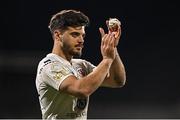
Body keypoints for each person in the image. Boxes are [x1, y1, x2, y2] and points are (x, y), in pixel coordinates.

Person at [35, 9, 126, 119]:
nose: (81, 40)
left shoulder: (81, 65)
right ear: (58, 36)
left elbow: (117, 81)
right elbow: (81, 89)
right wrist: (107, 59)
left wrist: (113, 48)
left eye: (82, 35)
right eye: (75, 34)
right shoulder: (48, 65)